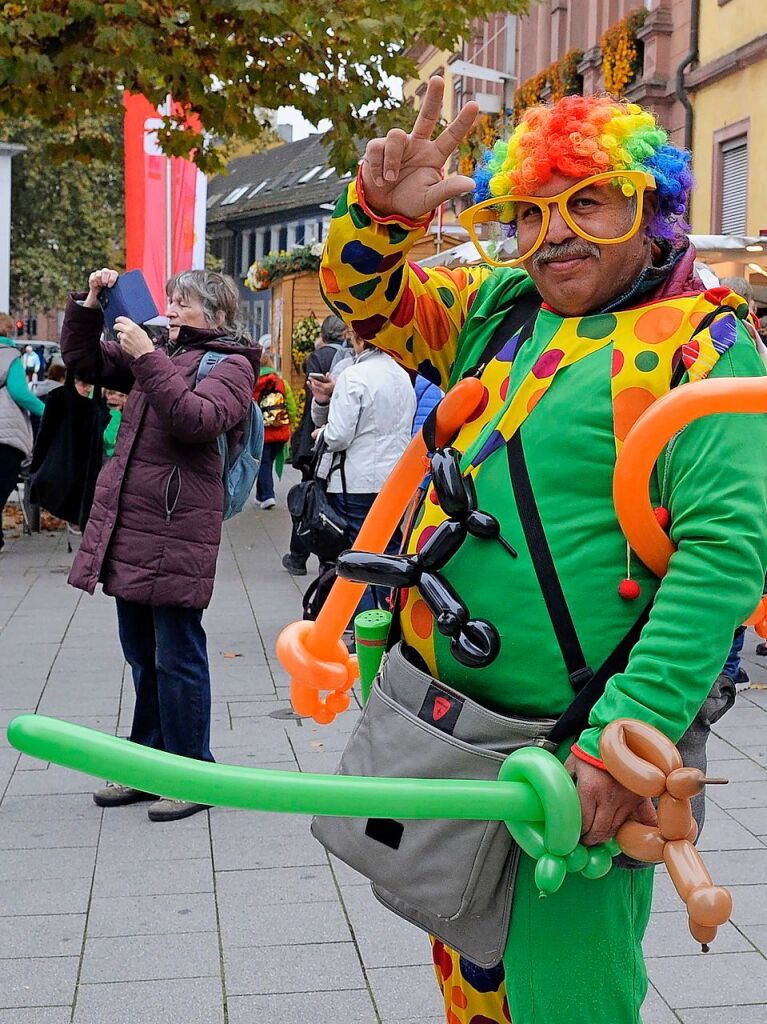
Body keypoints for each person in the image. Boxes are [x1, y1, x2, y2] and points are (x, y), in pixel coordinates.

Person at [319, 79, 767, 1024]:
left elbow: (723, 553)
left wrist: (622, 742)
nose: (553, 232)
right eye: (528, 211)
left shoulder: (705, 340)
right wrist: (380, 221)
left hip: (579, 761)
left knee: (563, 998)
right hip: (445, 734)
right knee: (471, 979)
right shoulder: (500, 308)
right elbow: (372, 305)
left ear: (649, 202)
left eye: (584, 201)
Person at [60, 267, 259, 822]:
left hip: (178, 528)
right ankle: (147, 766)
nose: (171, 309)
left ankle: (192, 771)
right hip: (133, 525)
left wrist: (148, 356)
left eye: (184, 303)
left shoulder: (233, 365)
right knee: (141, 655)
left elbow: (195, 420)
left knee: (178, 656)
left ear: (216, 315)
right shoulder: (161, 349)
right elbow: (85, 362)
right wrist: (90, 305)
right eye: (170, 300)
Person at [312, 330, 415, 616]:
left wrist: (321, 433)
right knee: (389, 554)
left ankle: (366, 628)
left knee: (360, 557)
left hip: (356, 481)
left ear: (359, 339)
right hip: (394, 480)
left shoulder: (353, 376)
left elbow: (339, 436)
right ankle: (389, 619)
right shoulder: (401, 374)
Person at [282, 314, 350, 575]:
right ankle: (324, 558)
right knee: (321, 500)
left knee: (308, 500)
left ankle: (300, 556)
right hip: (334, 442)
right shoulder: (347, 360)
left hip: (318, 438)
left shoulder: (318, 358)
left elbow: (314, 402)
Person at [0, 317, 44, 552]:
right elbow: (19, 392)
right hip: (5, 434)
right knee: (3, 482)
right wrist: (45, 410)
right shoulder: (9, 355)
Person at [252, 334, 296, 510]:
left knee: (263, 464)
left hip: (263, 433)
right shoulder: (281, 382)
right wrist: (289, 424)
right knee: (267, 463)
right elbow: (291, 407)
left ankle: (268, 496)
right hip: (281, 432)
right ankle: (259, 495)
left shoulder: (254, 384)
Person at [102, 389, 126, 459]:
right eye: (111, 393)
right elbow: (109, 440)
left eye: (122, 395)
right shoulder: (110, 413)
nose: (115, 398)